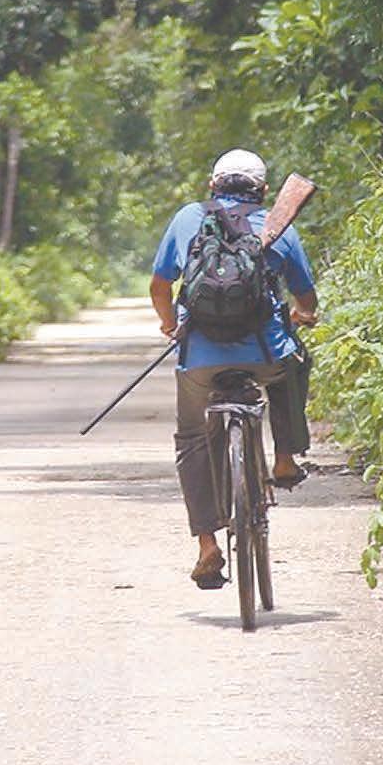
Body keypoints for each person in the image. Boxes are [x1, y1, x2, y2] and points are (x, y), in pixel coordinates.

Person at [149, 148, 318, 589]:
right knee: (293, 364)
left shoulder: (188, 218)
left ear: (212, 185)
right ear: (263, 190)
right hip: (264, 354)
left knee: (192, 438)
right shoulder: (276, 224)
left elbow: (160, 285)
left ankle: (207, 544)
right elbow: (306, 295)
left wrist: (169, 325)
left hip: (200, 358)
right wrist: (301, 315)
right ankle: (285, 458)